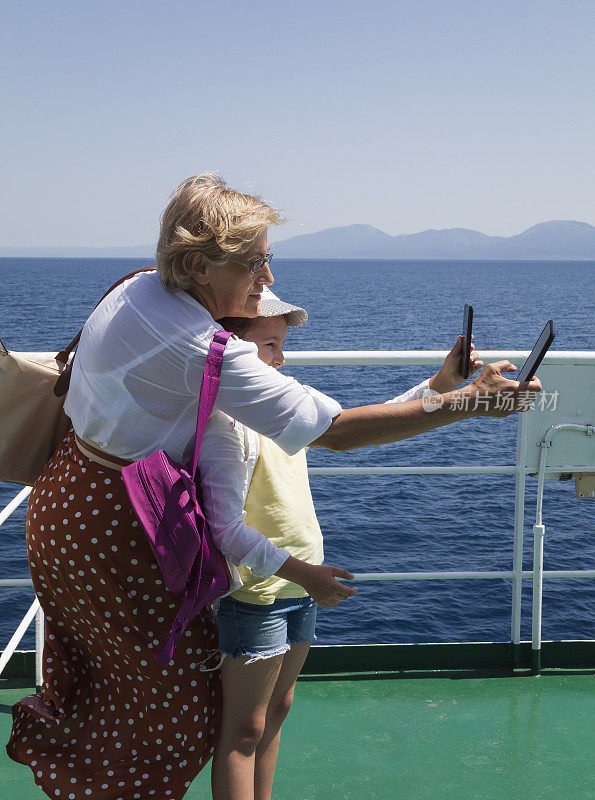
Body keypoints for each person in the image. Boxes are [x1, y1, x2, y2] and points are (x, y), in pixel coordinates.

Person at [7, 172, 540, 800]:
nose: (266, 277)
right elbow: (336, 432)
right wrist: (467, 405)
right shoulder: (206, 350)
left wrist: (437, 390)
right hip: (119, 529)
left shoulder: (140, 288)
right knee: (163, 716)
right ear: (196, 263)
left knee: (113, 695)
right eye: (255, 262)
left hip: (74, 495)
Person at [201, 288, 484, 800]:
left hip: (295, 583)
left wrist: (442, 384)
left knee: (279, 708)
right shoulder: (226, 424)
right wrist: (303, 573)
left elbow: (359, 424)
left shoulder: (277, 407)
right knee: (243, 729)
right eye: (268, 346)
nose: (280, 359)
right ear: (232, 349)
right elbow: (225, 530)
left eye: (282, 345)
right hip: (255, 594)